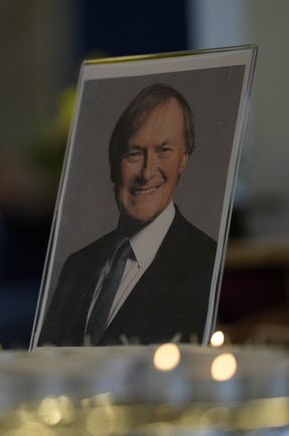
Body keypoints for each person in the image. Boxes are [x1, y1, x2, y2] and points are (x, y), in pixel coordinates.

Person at [38, 83, 217, 346]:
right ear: (113, 164)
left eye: (164, 151)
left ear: (184, 159)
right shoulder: (77, 265)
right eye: (134, 153)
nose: (146, 173)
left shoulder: (207, 265)